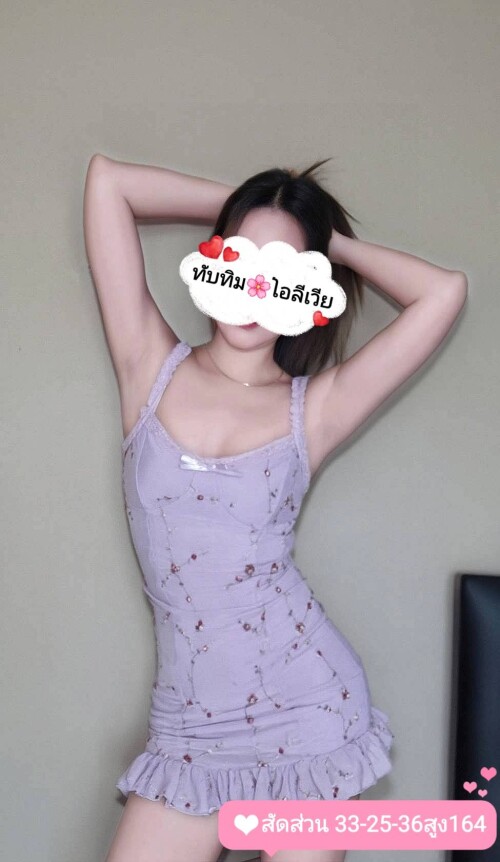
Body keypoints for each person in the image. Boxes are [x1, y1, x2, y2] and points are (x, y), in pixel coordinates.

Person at [83, 154, 468, 862]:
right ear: (214, 260)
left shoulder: (313, 408)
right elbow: (109, 183)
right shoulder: (147, 364)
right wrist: (248, 213)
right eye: (241, 260)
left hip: (308, 709)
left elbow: (443, 292)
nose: (257, 285)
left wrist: (322, 239)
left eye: (283, 272)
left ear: (308, 287)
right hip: (189, 726)